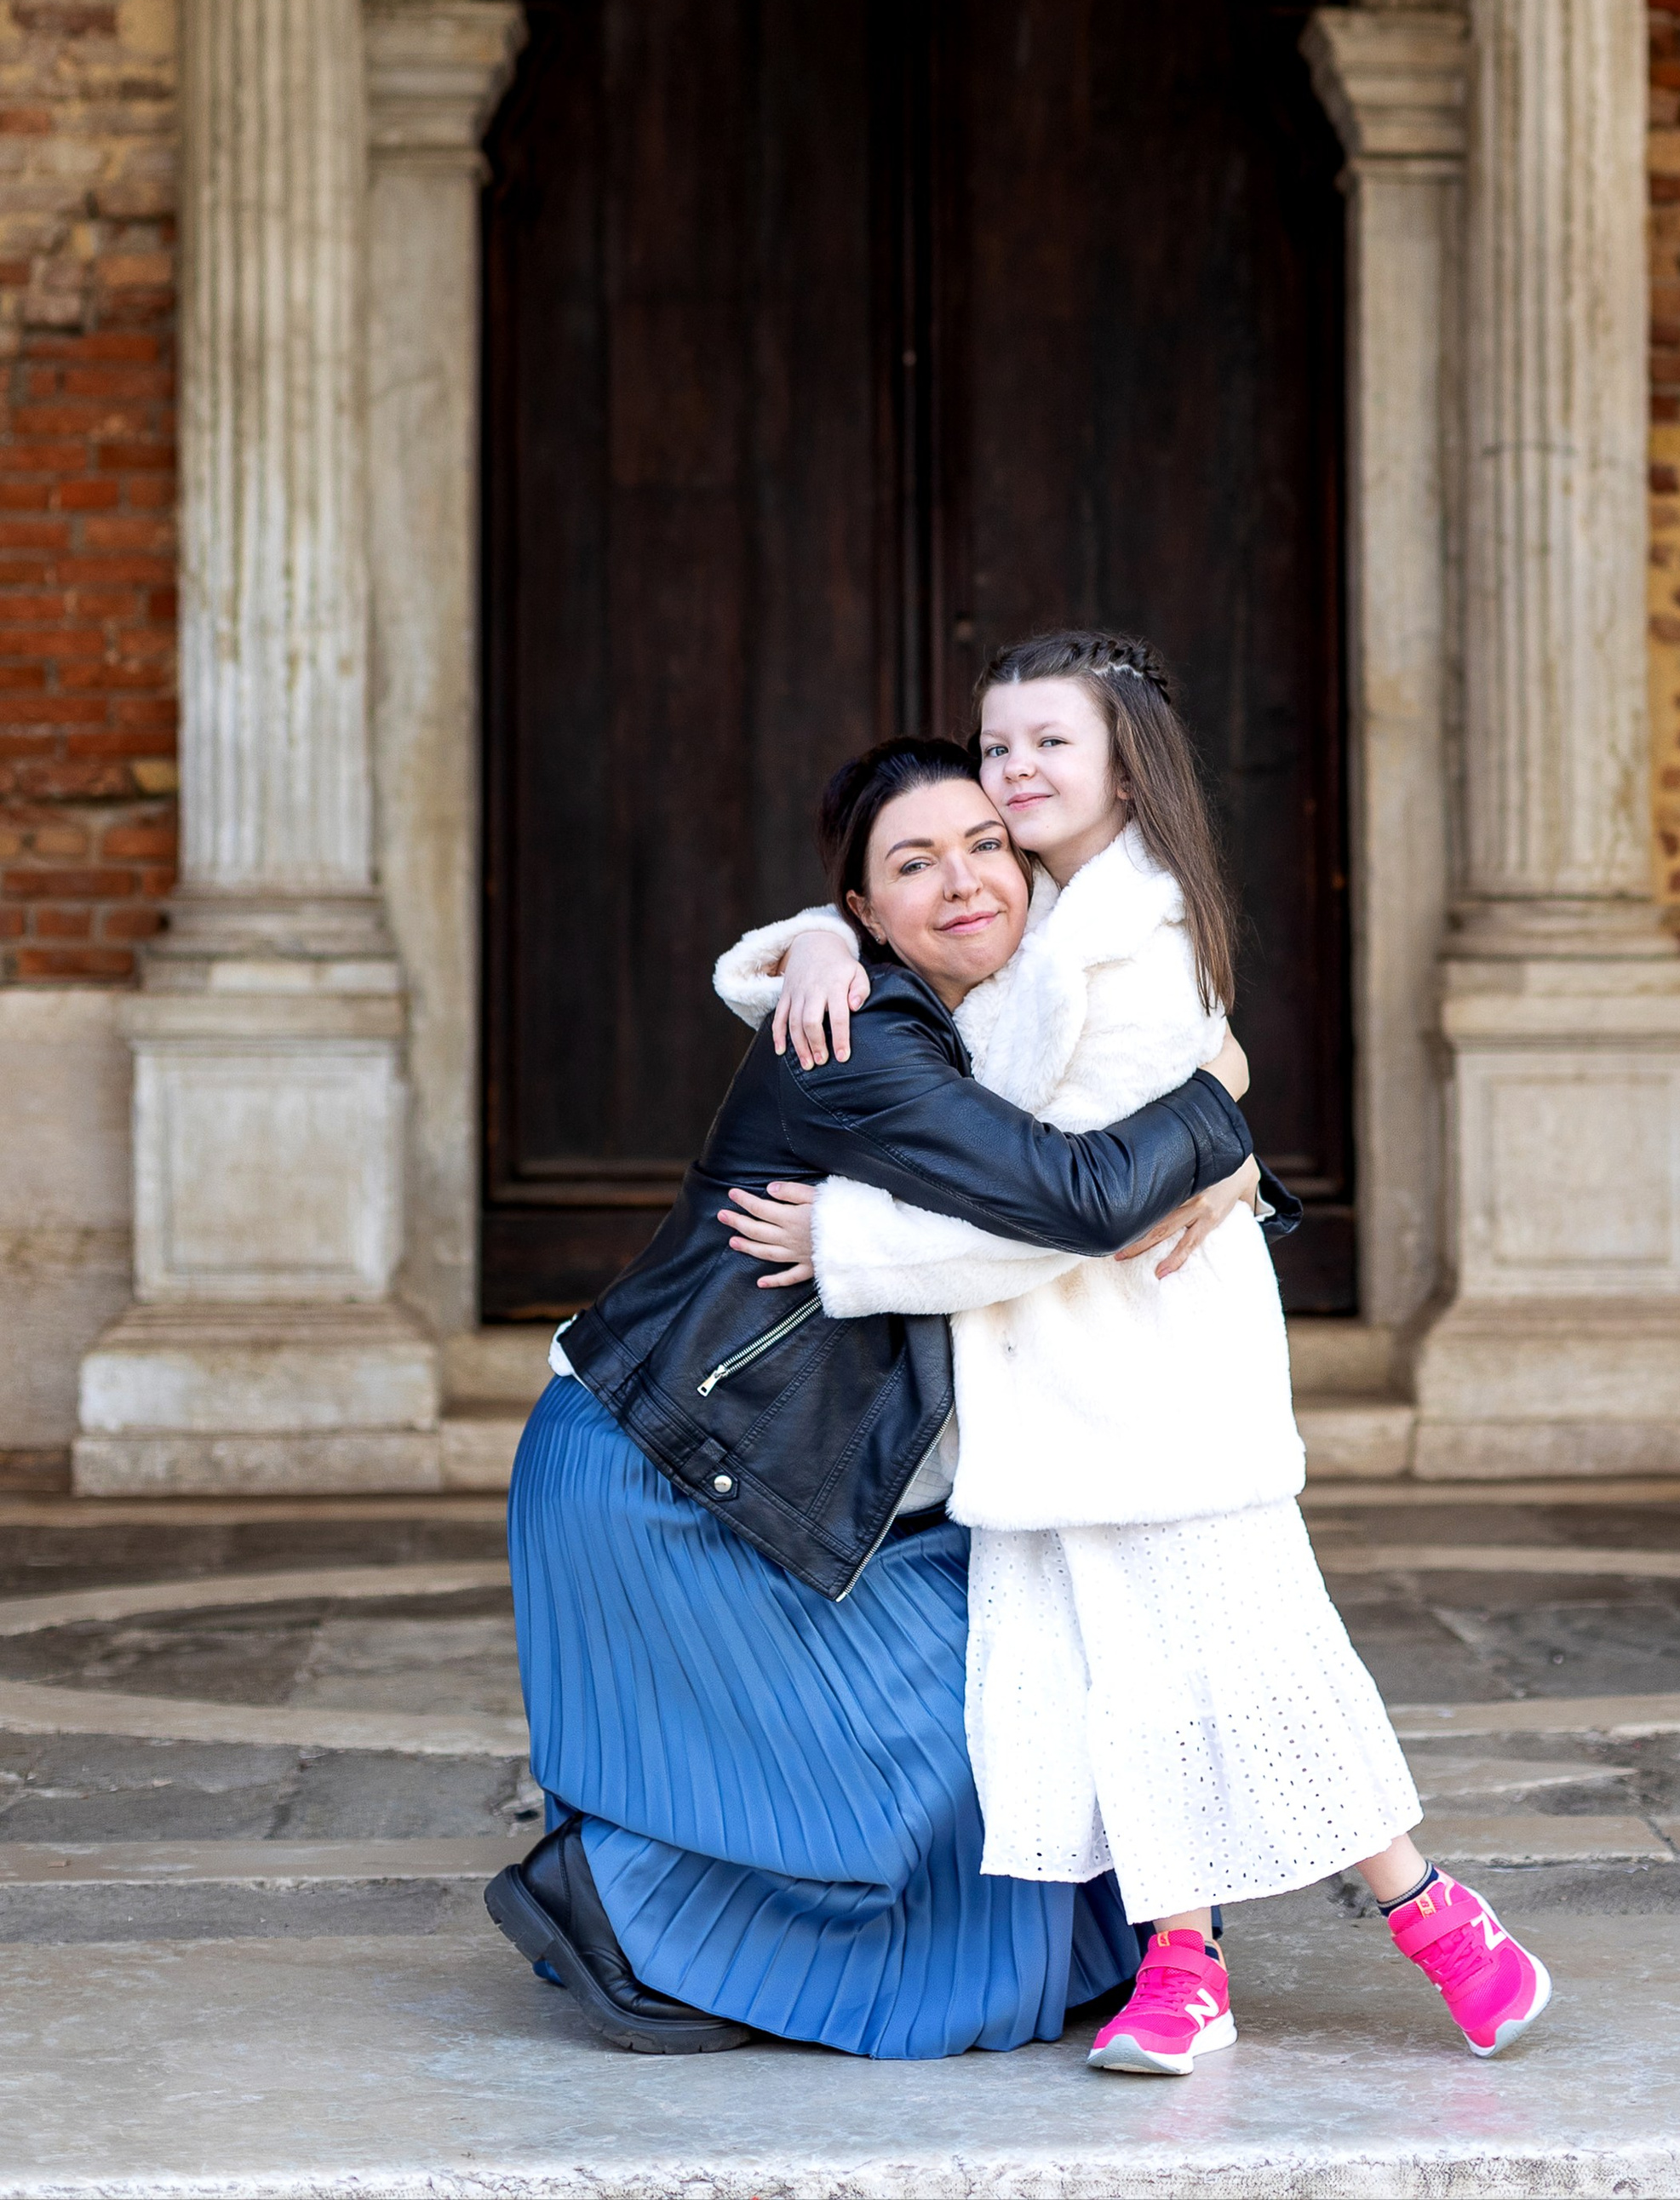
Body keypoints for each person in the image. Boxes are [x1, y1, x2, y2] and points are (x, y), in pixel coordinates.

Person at [717, 631, 1552, 2074]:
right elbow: (891, 935)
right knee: (1110, 1685)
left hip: (1153, 1365)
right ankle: (1184, 1967)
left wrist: (853, 1244)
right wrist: (821, 935)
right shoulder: (1029, 899)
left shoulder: (1140, 947)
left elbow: (1079, 1212)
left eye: (1049, 743)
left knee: (1250, 1661)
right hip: (1043, 1389)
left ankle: (1440, 1921)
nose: (1014, 771)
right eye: (997, 745)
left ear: (1124, 764)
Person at [490, 732, 1265, 2060]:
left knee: (1039, 1705)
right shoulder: (857, 1035)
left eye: (987, 847)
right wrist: (1224, 1104)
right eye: (914, 864)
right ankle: (614, 1903)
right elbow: (1070, 1199)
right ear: (867, 911)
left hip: (780, 1465)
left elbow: (1074, 1178)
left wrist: (1223, 1168)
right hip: (666, 1469)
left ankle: (693, 1898)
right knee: (961, 1757)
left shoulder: (1010, 1009)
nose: (965, 882)